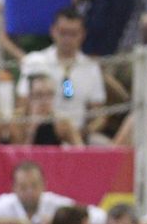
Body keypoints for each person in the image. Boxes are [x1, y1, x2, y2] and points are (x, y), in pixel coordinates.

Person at [16, 8, 108, 139]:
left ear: (83, 34)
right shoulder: (35, 61)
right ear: (53, 31)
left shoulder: (91, 67)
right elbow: (22, 106)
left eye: (73, 34)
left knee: (106, 145)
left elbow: (99, 115)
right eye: (63, 33)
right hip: (41, 133)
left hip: (80, 134)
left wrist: (84, 132)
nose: (67, 39)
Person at [0, 160, 96, 224]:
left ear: (44, 185)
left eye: (34, 185)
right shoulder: (6, 203)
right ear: (14, 188)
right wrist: (19, 222)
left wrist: (60, 220)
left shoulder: (53, 202)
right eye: (23, 187)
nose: (29, 192)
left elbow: (97, 216)